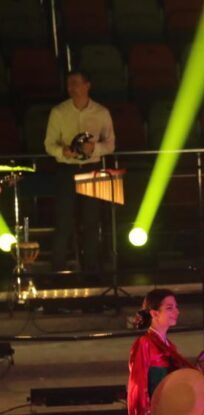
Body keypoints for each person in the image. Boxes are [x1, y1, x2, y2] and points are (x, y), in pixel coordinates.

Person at [43, 69, 115, 274]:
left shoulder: (101, 112)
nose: (71, 88)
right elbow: (49, 144)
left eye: (75, 83)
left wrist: (94, 148)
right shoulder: (59, 112)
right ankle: (58, 270)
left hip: (91, 170)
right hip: (66, 170)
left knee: (91, 221)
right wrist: (63, 151)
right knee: (63, 221)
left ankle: (91, 270)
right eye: (69, 84)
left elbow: (110, 144)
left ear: (87, 85)